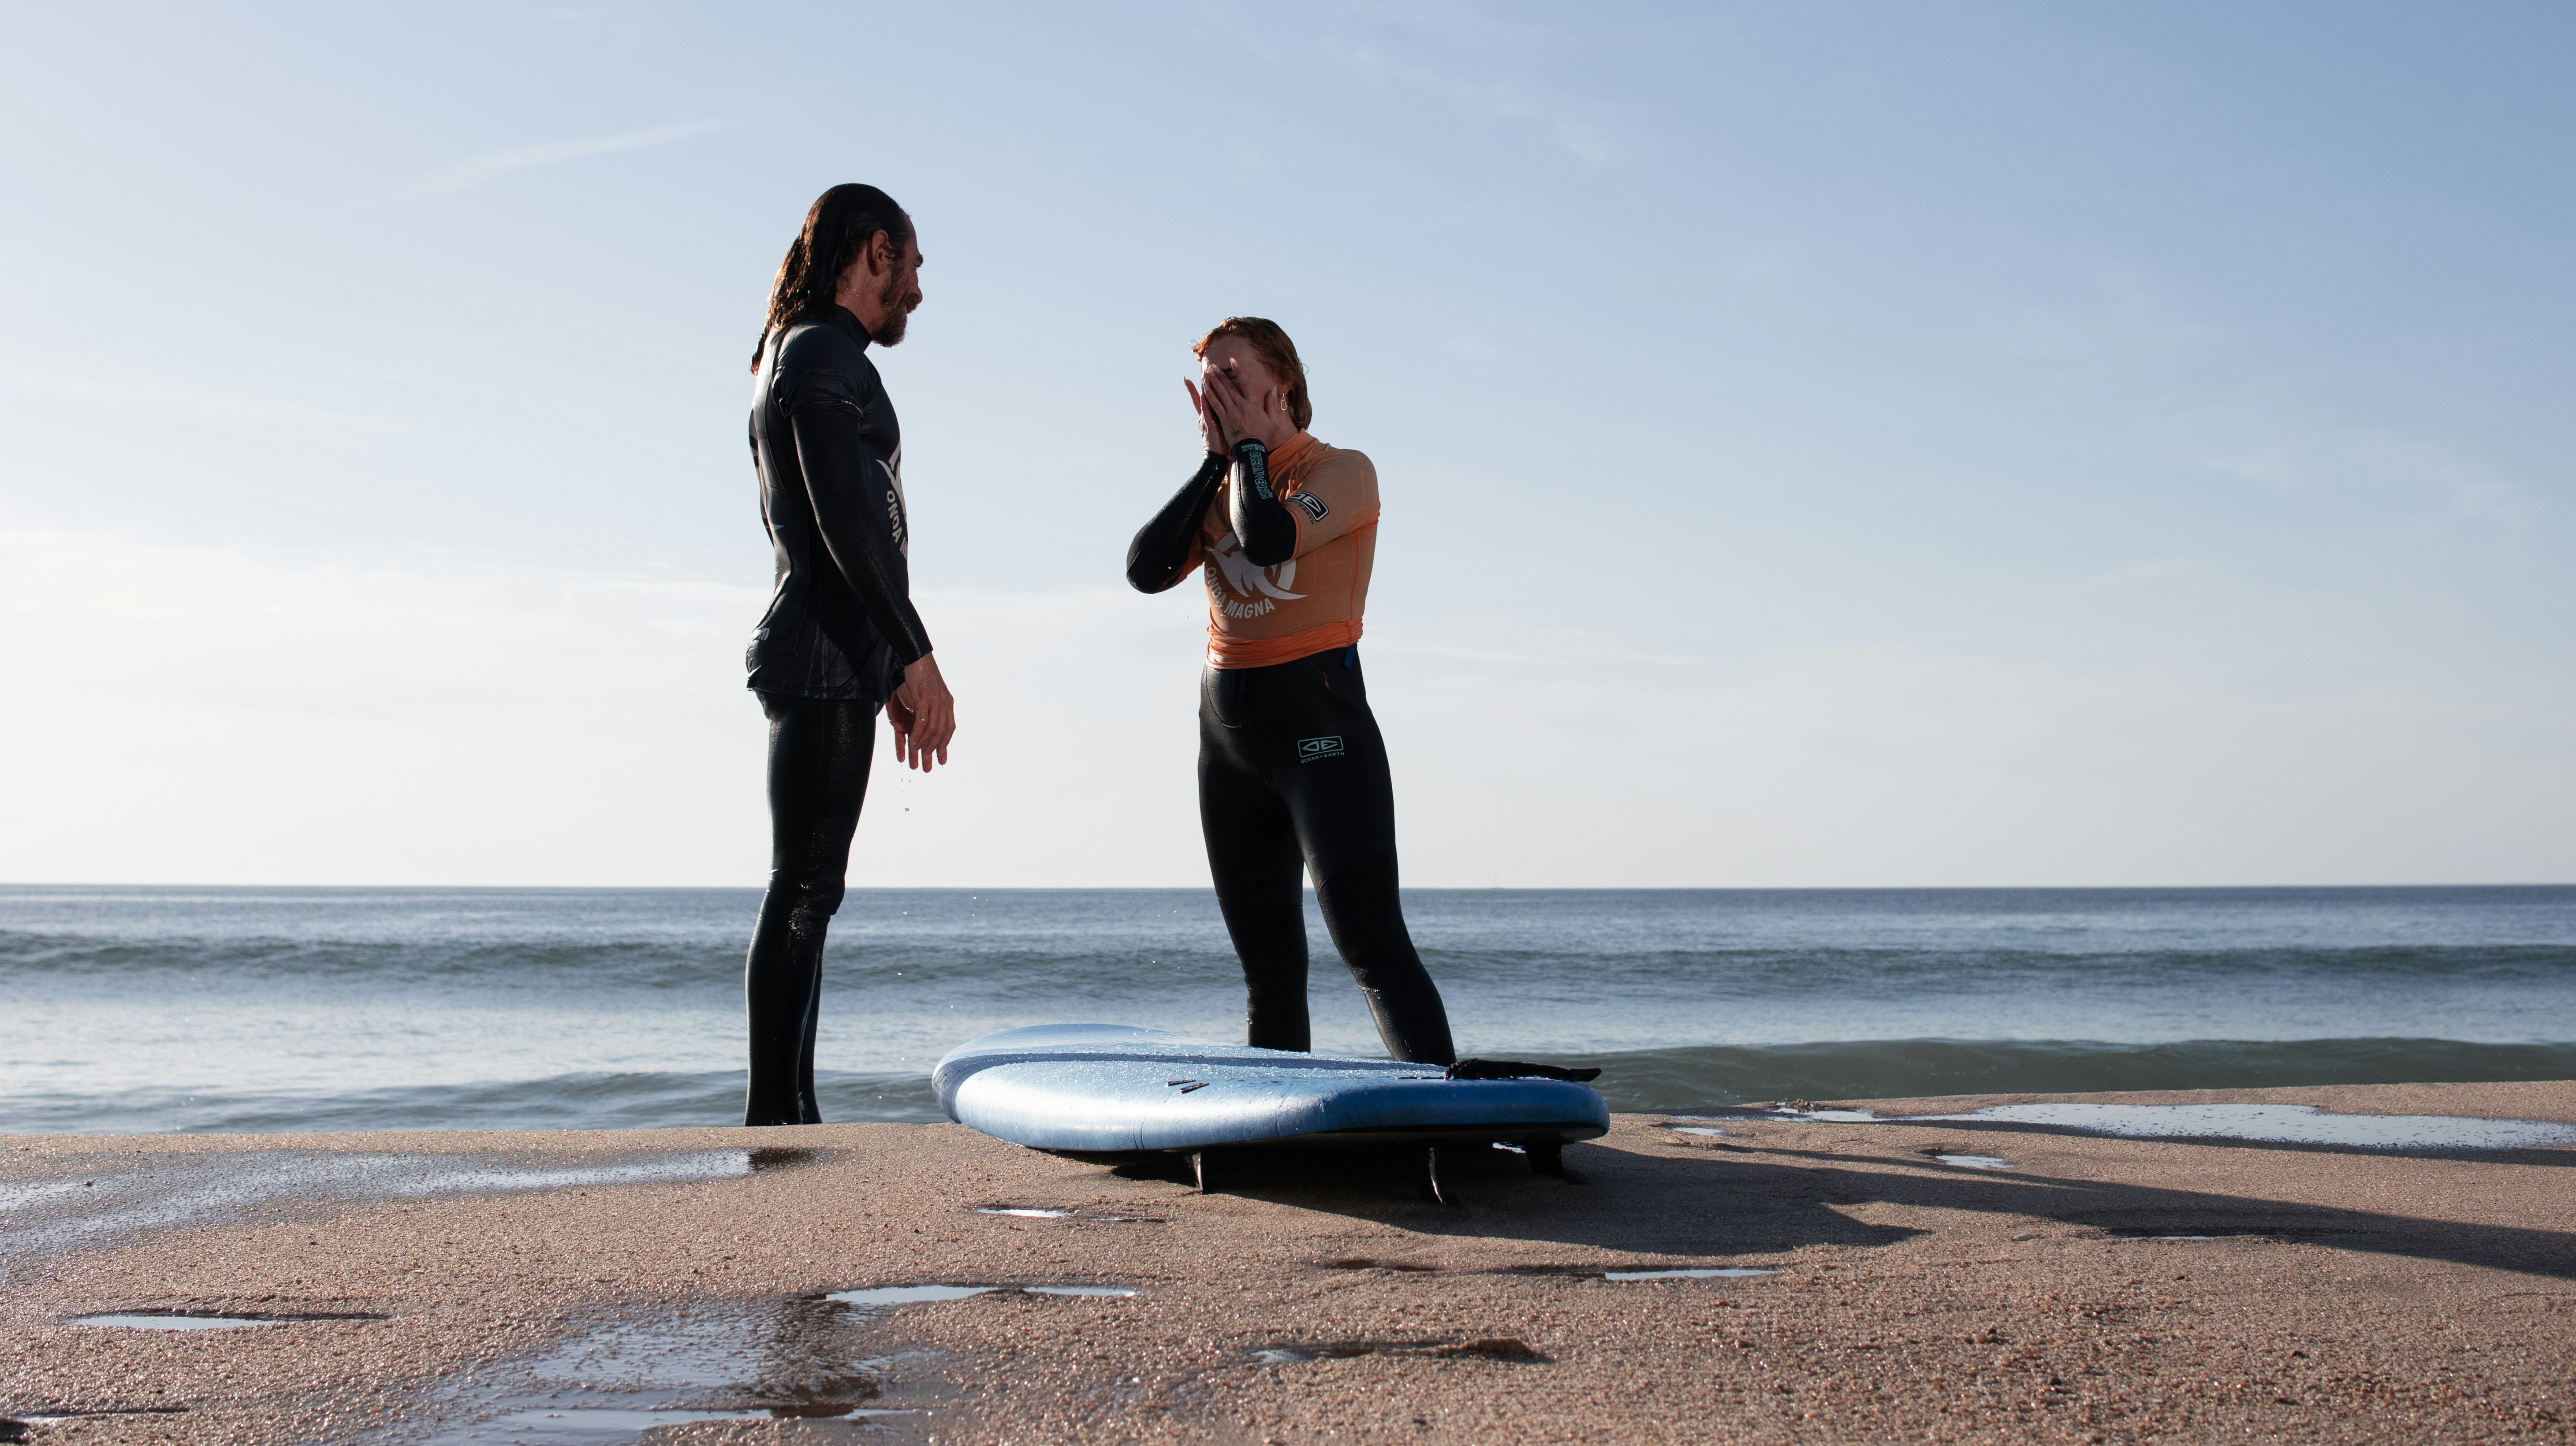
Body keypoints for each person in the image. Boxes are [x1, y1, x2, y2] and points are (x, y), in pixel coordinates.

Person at [1125, 317, 1457, 1066]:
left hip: (1321, 733)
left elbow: (1269, 536)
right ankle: (1279, 1114)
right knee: (1268, 971)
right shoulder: (1222, 485)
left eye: (1232, 377)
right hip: (1228, 746)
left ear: (1283, 384)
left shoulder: (1343, 471)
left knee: (1373, 949)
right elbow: (1145, 571)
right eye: (1208, 383)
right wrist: (1215, 464)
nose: (1218, 393)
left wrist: (1247, 451)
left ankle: (1443, 1106)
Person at [738, 184, 957, 1126]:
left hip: (835, 652)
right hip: (822, 651)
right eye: (913, 265)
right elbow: (843, 520)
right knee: (803, 885)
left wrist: (886, 660)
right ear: (875, 252)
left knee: (811, 889)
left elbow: (857, 523)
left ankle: (794, 1114)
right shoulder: (821, 353)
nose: (918, 291)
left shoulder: (807, 352)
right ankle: (773, 1120)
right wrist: (913, 653)